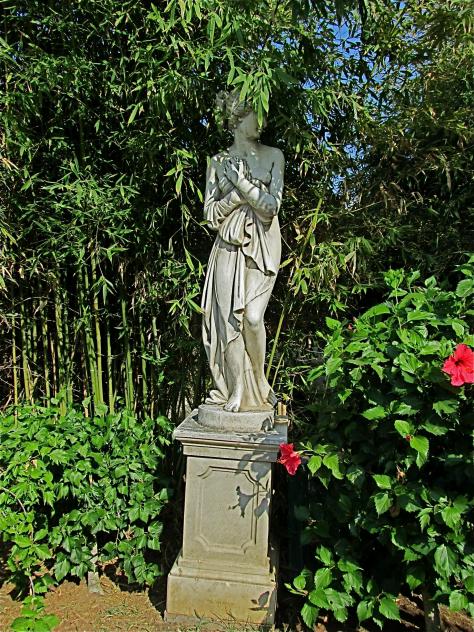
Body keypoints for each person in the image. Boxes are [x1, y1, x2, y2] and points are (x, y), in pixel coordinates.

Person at [201, 92, 284, 412]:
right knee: (230, 321)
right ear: (237, 119)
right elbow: (211, 215)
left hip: (263, 244)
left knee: (252, 317)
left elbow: (270, 208)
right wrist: (238, 194)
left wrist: (242, 184)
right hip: (227, 246)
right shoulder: (217, 161)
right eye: (255, 115)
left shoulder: (274, 156)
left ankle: (259, 379)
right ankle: (237, 388)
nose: (262, 122)